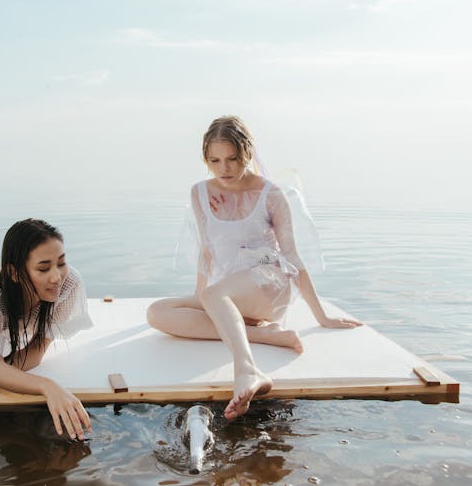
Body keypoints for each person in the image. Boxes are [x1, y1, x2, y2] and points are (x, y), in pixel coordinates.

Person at [147, 116, 363, 421]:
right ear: (205, 159)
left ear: (247, 153)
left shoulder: (271, 194)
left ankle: (246, 369)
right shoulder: (199, 192)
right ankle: (267, 336)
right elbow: (205, 251)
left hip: (269, 284)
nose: (224, 169)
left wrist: (321, 316)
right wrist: (202, 298)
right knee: (157, 312)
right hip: (227, 293)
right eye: (215, 160)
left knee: (216, 296)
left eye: (233, 159)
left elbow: (292, 257)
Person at [0, 218, 93, 440]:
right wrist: (48, 387)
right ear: (14, 273)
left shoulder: (69, 282)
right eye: (44, 268)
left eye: (61, 263)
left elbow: (37, 349)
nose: (57, 277)